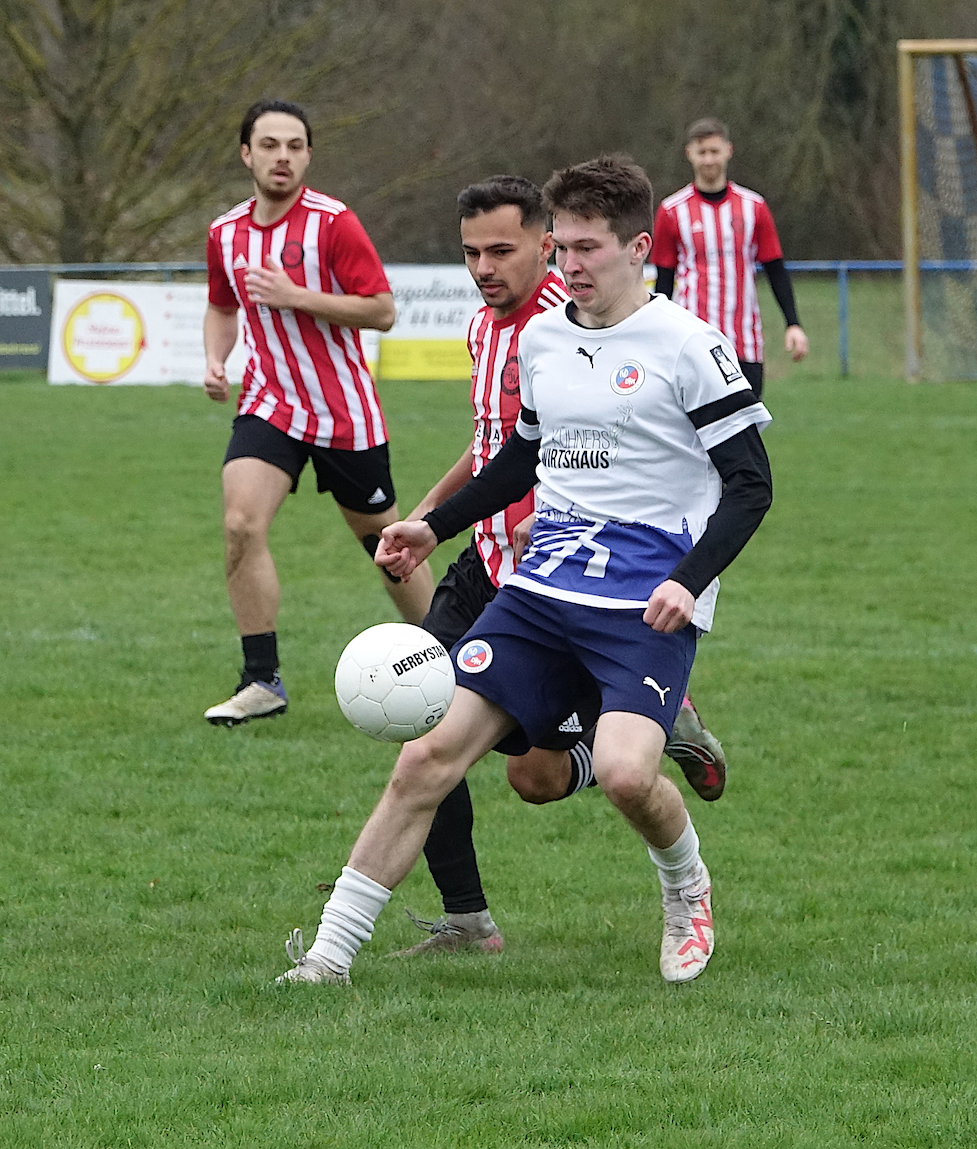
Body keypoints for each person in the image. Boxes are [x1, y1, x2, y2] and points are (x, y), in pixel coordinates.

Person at [275, 154, 773, 988]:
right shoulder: (544, 339)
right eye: (563, 247)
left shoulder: (689, 345)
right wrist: (431, 526)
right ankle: (327, 958)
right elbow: (519, 459)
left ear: (638, 247)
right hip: (538, 592)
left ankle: (687, 885)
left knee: (626, 775)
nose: (570, 264)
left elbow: (752, 484)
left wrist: (688, 580)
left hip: (644, 601)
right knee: (426, 758)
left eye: (588, 248)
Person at [396, 175, 731, 958]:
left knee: (538, 778)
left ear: (544, 246)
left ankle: (652, 723)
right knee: (425, 722)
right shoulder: (484, 329)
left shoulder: (576, 322)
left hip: (563, 579)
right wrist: (432, 517)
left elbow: (600, 451)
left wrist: (548, 518)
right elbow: (495, 445)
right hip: (482, 565)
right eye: (471, 252)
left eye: (501, 250)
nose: (484, 267)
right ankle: (467, 919)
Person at [202, 99, 433, 726]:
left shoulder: (334, 224)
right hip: (269, 404)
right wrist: (216, 360)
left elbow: (382, 310)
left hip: (343, 411)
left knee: (388, 547)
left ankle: (453, 659)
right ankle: (261, 680)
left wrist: (296, 296)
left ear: (308, 156)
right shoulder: (226, 233)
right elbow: (222, 306)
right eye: (269, 145)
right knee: (241, 524)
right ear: (246, 154)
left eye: (295, 146)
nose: (283, 157)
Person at [651, 117, 808, 400]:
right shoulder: (671, 211)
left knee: (747, 422)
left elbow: (775, 268)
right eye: (702, 152)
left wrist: (793, 323)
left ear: (728, 151)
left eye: (714, 151)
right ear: (689, 154)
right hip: (692, 340)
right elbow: (663, 279)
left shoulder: (754, 207)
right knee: (694, 423)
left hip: (744, 340)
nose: (709, 159)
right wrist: (656, 334)